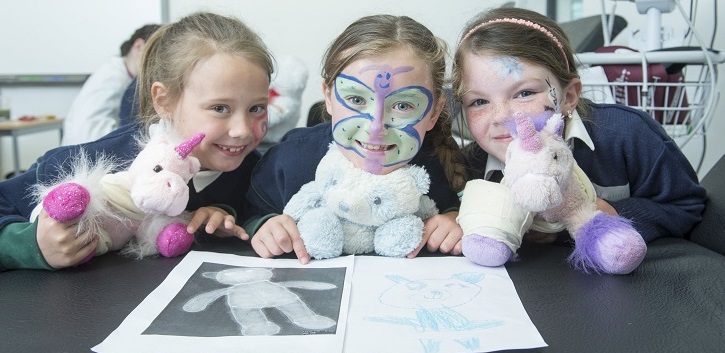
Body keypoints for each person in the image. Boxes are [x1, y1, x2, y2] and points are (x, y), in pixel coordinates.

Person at [0, 12, 273, 271]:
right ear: (164, 100)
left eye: (256, 108)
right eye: (220, 108)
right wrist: (31, 244)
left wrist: (242, 220)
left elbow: (262, 213)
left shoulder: (258, 169)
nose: (242, 131)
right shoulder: (100, 159)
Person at [451, 7, 706, 267]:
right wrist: (453, 220)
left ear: (569, 96)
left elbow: (687, 204)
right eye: (479, 101)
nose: (501, 116)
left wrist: (616, 214)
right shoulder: (469, 166)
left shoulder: (626, 135)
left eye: (524, 93)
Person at [245, 15, 467, 264]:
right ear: (328, 97)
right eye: (357, 100)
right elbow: (248, 212)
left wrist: (452, 221)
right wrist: (263, 226)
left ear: (434, 112)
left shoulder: (438, 163)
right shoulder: (289, 160)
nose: (375, 127)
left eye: (403, 105)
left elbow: (455, 213)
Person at [61, 24, 160, 146]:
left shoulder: (123, 75)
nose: (157, 62)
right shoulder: (112, 77)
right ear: (139, 46)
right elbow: (88, 134)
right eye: (154, 53)